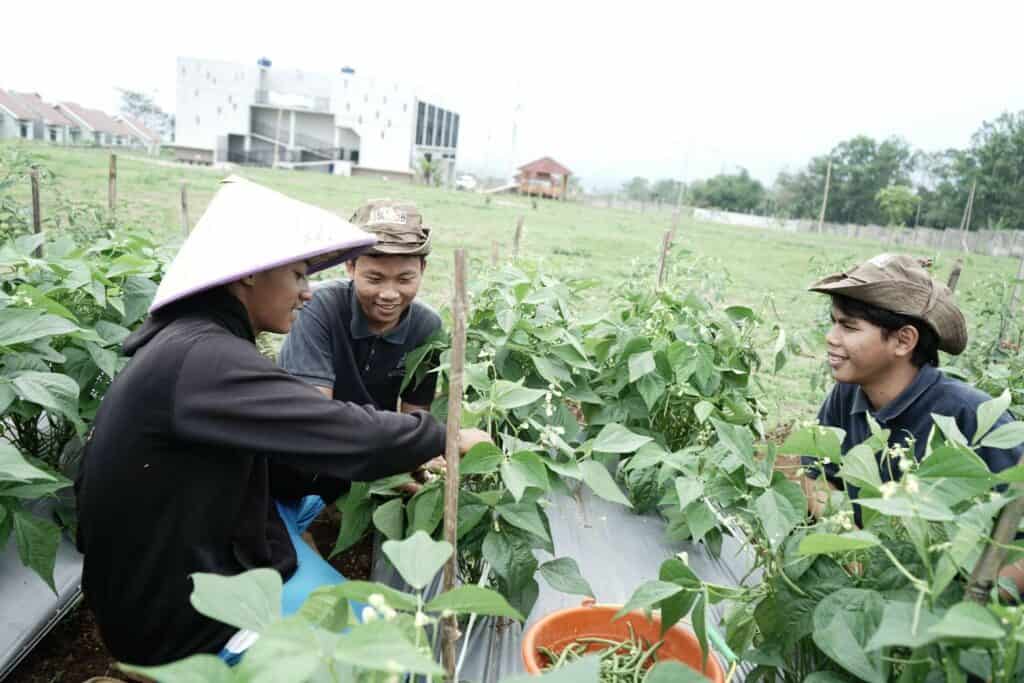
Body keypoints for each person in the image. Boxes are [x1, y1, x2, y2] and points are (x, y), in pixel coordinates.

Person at [74, 177, 489, 666]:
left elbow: (305, 452)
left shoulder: (194, 342)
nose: (307, 293)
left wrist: (399, 460)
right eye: (297, 275)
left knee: (313, 526)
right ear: (250, 273)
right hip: (185, 620)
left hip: (183, 564)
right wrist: (442, 437)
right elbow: (325, 430)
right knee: (383, 650)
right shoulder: (205, 358)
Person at [800, 252, 1023, 594]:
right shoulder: (847, 395)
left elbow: (1017, 547)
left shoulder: (972, 418)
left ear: (903, 340)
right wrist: (849, 547)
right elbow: (818, 477)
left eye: (848, 326)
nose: (831, 337)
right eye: (834, 322)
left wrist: (965, 607)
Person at [280, 199, 444, 487]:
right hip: (302, 461)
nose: (390, 294)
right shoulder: (319, 307)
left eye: (405, 279)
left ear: (423, 270)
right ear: (351, 266)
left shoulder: (427, 326)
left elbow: (416, 416)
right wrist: (389, 476)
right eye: (375, 278)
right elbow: (315, 422)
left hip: (372, 454)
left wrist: (421, 461)